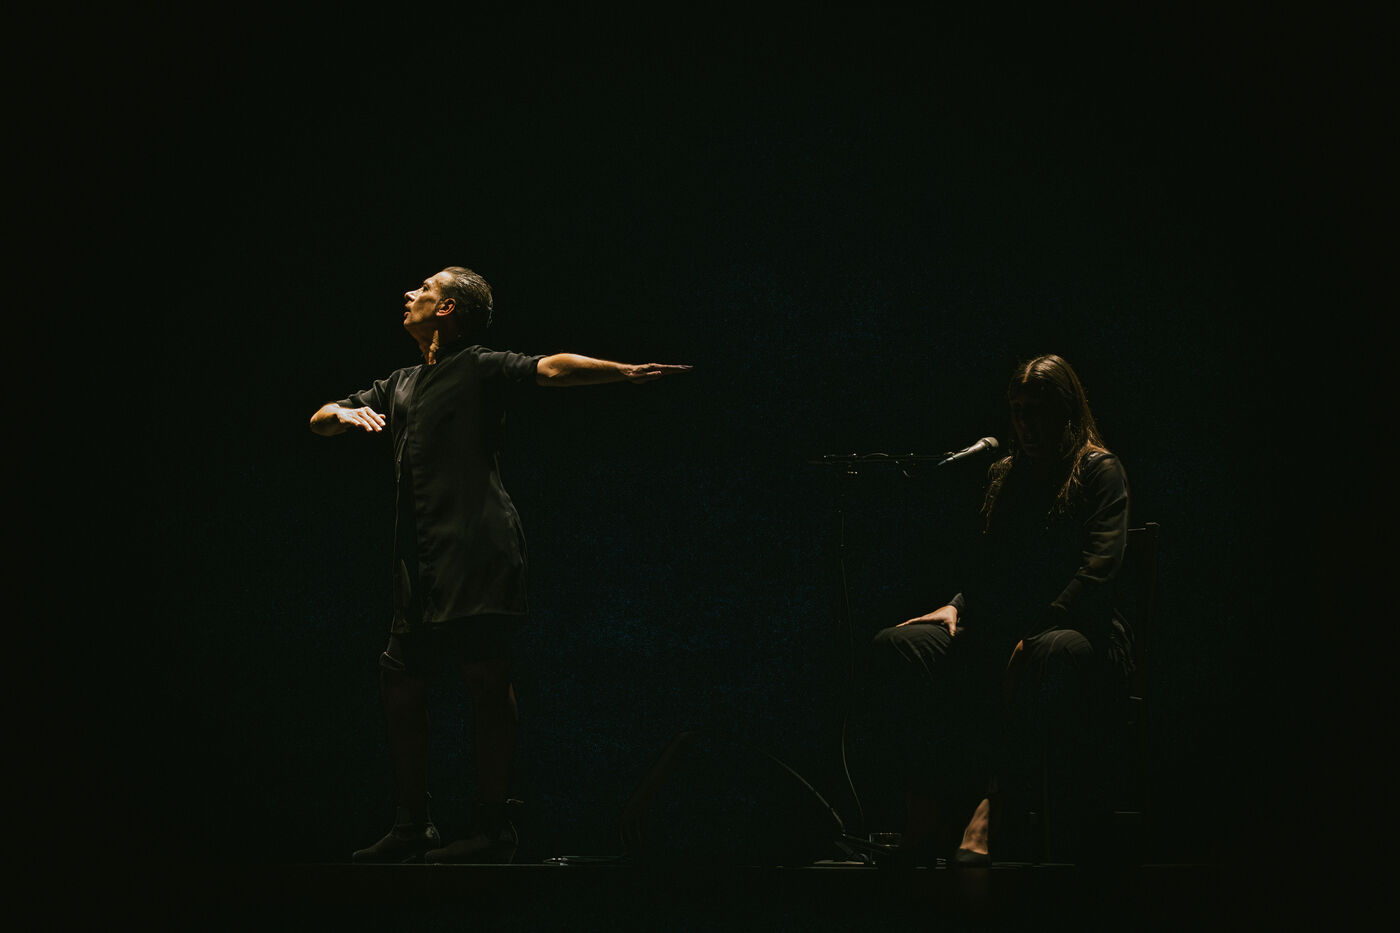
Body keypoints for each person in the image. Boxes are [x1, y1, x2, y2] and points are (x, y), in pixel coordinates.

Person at [310, 265, 690, 863]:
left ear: (447, 309)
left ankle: (494, 825)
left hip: (477, 547)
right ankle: (413, 823)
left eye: (424, 289)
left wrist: (622, 371)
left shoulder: (478, 366)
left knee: (485, 680)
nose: (409, 293)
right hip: (418, 558)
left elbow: (550, 368)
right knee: (400, 681)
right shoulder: (399, 382)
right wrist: (342, 414)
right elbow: (321, 418)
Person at [866, 354, 1132, 865]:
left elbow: (1099, 571)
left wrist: (1031, 634)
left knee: (1049, 654)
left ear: (1067, 412)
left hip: (1080, 628)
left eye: (1039, 411)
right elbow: (990, 567)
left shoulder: (1098, 470)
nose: (1026, 425)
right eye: (1018, 411)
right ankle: (925, 819)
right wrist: (956, 606)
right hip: (1005, 626)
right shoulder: (1006, 474)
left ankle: (994, 807)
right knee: (900, 645)